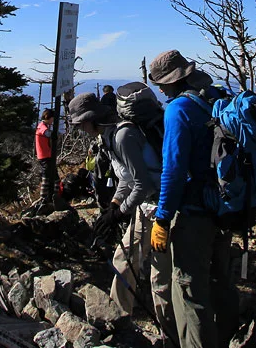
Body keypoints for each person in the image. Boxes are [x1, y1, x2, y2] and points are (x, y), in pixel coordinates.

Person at [71, 85, 176, 343]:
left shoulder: (121, 137)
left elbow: (144, 184)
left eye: (80, 124)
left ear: (90, 120)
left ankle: (171, 336)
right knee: (123, 261)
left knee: (159, 276)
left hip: (160, 207)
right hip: (146, 207)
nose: (80, 130)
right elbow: (127, 178)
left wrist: (119, 213)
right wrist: (115, 205)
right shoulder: (109, 136)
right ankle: (117, 322)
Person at [148, 50, 238, 348]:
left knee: (189, 293)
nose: (159, 89)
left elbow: (172, 171)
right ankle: (227, 340)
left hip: (193, 213)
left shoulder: (178, 110)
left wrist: (162, 218)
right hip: (224, 206)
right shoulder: (216, 97)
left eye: (161, 83)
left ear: (173, 81)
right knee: (221, 282)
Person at [35, 108, 56, 206]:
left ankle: (55, 196)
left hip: (46, 155)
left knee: (54, 176)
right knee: (46, 177)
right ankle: (43, 198)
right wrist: (54, 134)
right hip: (45, 155)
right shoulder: (42, 126)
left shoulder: (43, 126)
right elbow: (46, 133)